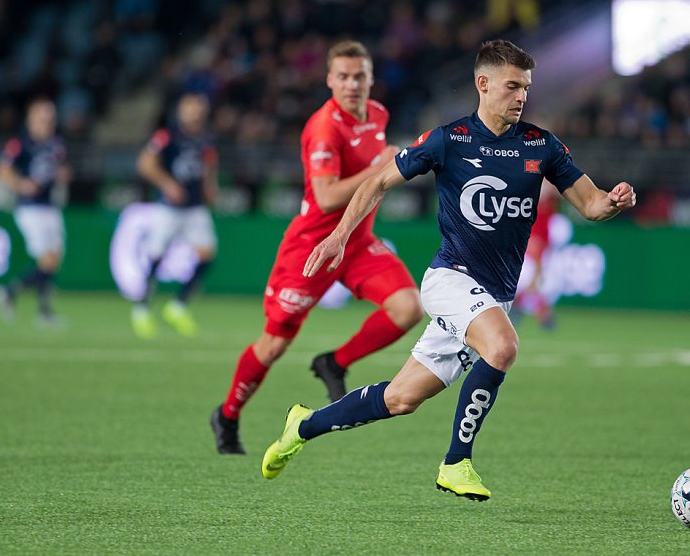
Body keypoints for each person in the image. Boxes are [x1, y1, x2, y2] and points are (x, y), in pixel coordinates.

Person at [260, 39, 636, 500]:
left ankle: (302, 426)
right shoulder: (448, 140)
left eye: (526, 88)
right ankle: (457, 462)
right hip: (451, 280)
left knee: (400, 398)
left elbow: (592, 205)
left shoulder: (542, 146)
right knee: (503, 346)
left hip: (493, 296)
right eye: (512, 86)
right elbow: (378, 181)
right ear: (484, 84)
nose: (522, 96)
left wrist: (614, 201)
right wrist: (339, 235)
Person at [210, 40, 423, 455]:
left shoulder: (378, 114)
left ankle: (334, 362)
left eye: (359, 76)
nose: (351, 84)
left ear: (371, 79)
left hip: (357, 243)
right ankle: (228, 414)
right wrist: (378, 168)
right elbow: (325, 198)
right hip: (314, 248)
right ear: (329, 80)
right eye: (343, 76)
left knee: (409, 308)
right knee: (274, 344)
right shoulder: (324, 127)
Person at [130, 92, 219, 339]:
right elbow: (145, 163)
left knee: (207, 255)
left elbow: (209, 166)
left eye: (199, 109)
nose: (195, 113)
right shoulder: (167, 136)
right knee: (156, 256)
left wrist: (210, 187)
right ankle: (142, 308)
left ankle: (178, 305)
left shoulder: (206, 139)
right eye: (190, 108)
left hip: (195, 207)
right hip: (168, 208)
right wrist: (167, 183)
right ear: (181, 111)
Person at [0, 98, 73, 326]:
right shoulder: (20, 143)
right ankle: (19, 297)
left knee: (53, 259)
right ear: (31, 119)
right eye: (42, 117)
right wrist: (21, 184)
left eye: (50, 118)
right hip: (30, 207)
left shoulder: (56, 144)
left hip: (49, 205)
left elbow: (59, 169)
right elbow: (2, 170)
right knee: (47, 259)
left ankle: (21, 298)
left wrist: (63, 174)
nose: (47, 122)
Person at [514, 179, 560, 329]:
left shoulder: (548, 198)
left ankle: (539, 315)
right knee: (528, 283)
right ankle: (539, 315)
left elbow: (560, 189)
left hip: (540, 240)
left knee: (533, 283)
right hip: (531, 240)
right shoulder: (530, 196)